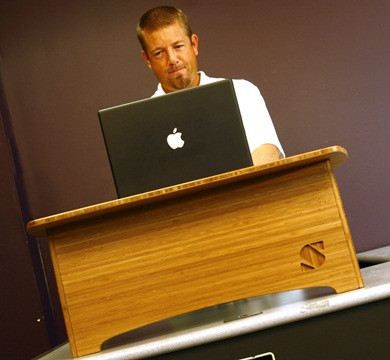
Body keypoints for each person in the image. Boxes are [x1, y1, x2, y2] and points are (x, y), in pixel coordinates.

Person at [136, 6, 284, 165]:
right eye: (159, 53)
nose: (172, 59)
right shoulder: (142, 123)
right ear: (147, 59)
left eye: (178, 46)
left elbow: (268, 152)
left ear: (194, 44)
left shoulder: (242, 92)